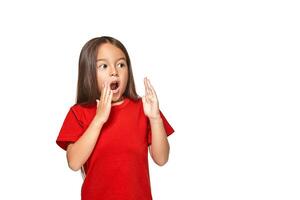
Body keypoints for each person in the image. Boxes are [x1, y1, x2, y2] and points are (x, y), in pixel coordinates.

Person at [56, 36, 175, 200]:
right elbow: (74, 163)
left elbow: (161, 159)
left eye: (121, 64)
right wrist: (99, 119)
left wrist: (155, 118)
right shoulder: (79, 113)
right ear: (89, 72)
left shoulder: (143, 108)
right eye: (103, 66)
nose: (114, 71)